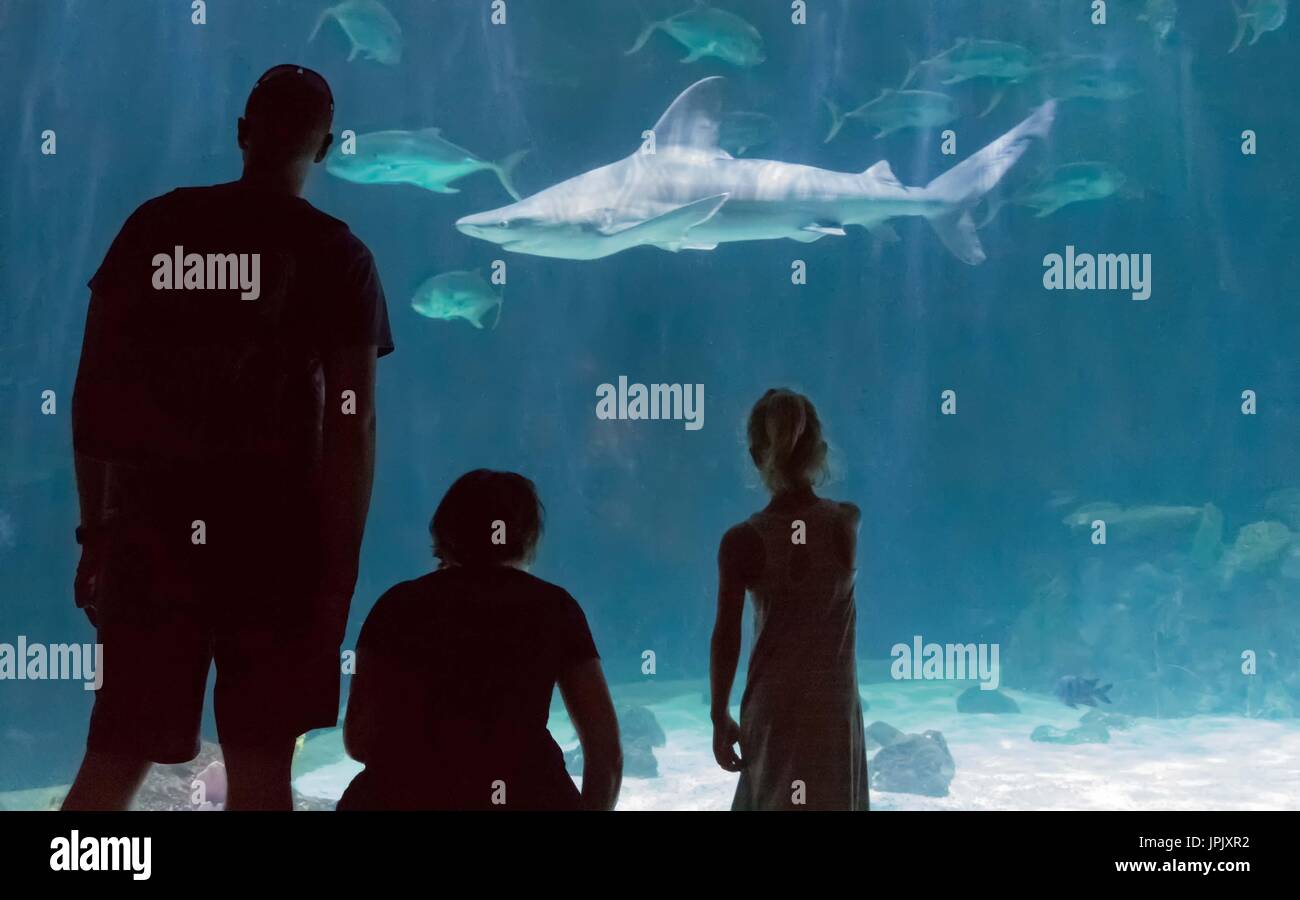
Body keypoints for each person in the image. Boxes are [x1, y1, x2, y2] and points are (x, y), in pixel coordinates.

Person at [64, 65, 393, 810]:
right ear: (330, 146)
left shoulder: (156, 227)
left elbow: (94, 397)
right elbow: (353, 419)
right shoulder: (339, 255)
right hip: (281, 549)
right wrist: (338, 560)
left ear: (241, 133)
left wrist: (97, 532)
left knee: (115, 756)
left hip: (151, 537)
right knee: (261, 769)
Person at [339, 470, 622, 810]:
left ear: (444, 532)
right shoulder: (555, 607)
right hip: (530, 795)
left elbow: (358, 740)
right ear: (527, 535)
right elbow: (605, 751)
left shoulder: (395, 606)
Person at [710, 389, 869, 810]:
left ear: (754, 454)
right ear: (819, 448)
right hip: (831, 707)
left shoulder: (741, 541)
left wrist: (718, 713)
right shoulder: (847, 524)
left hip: (773, 706)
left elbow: (726, 636)